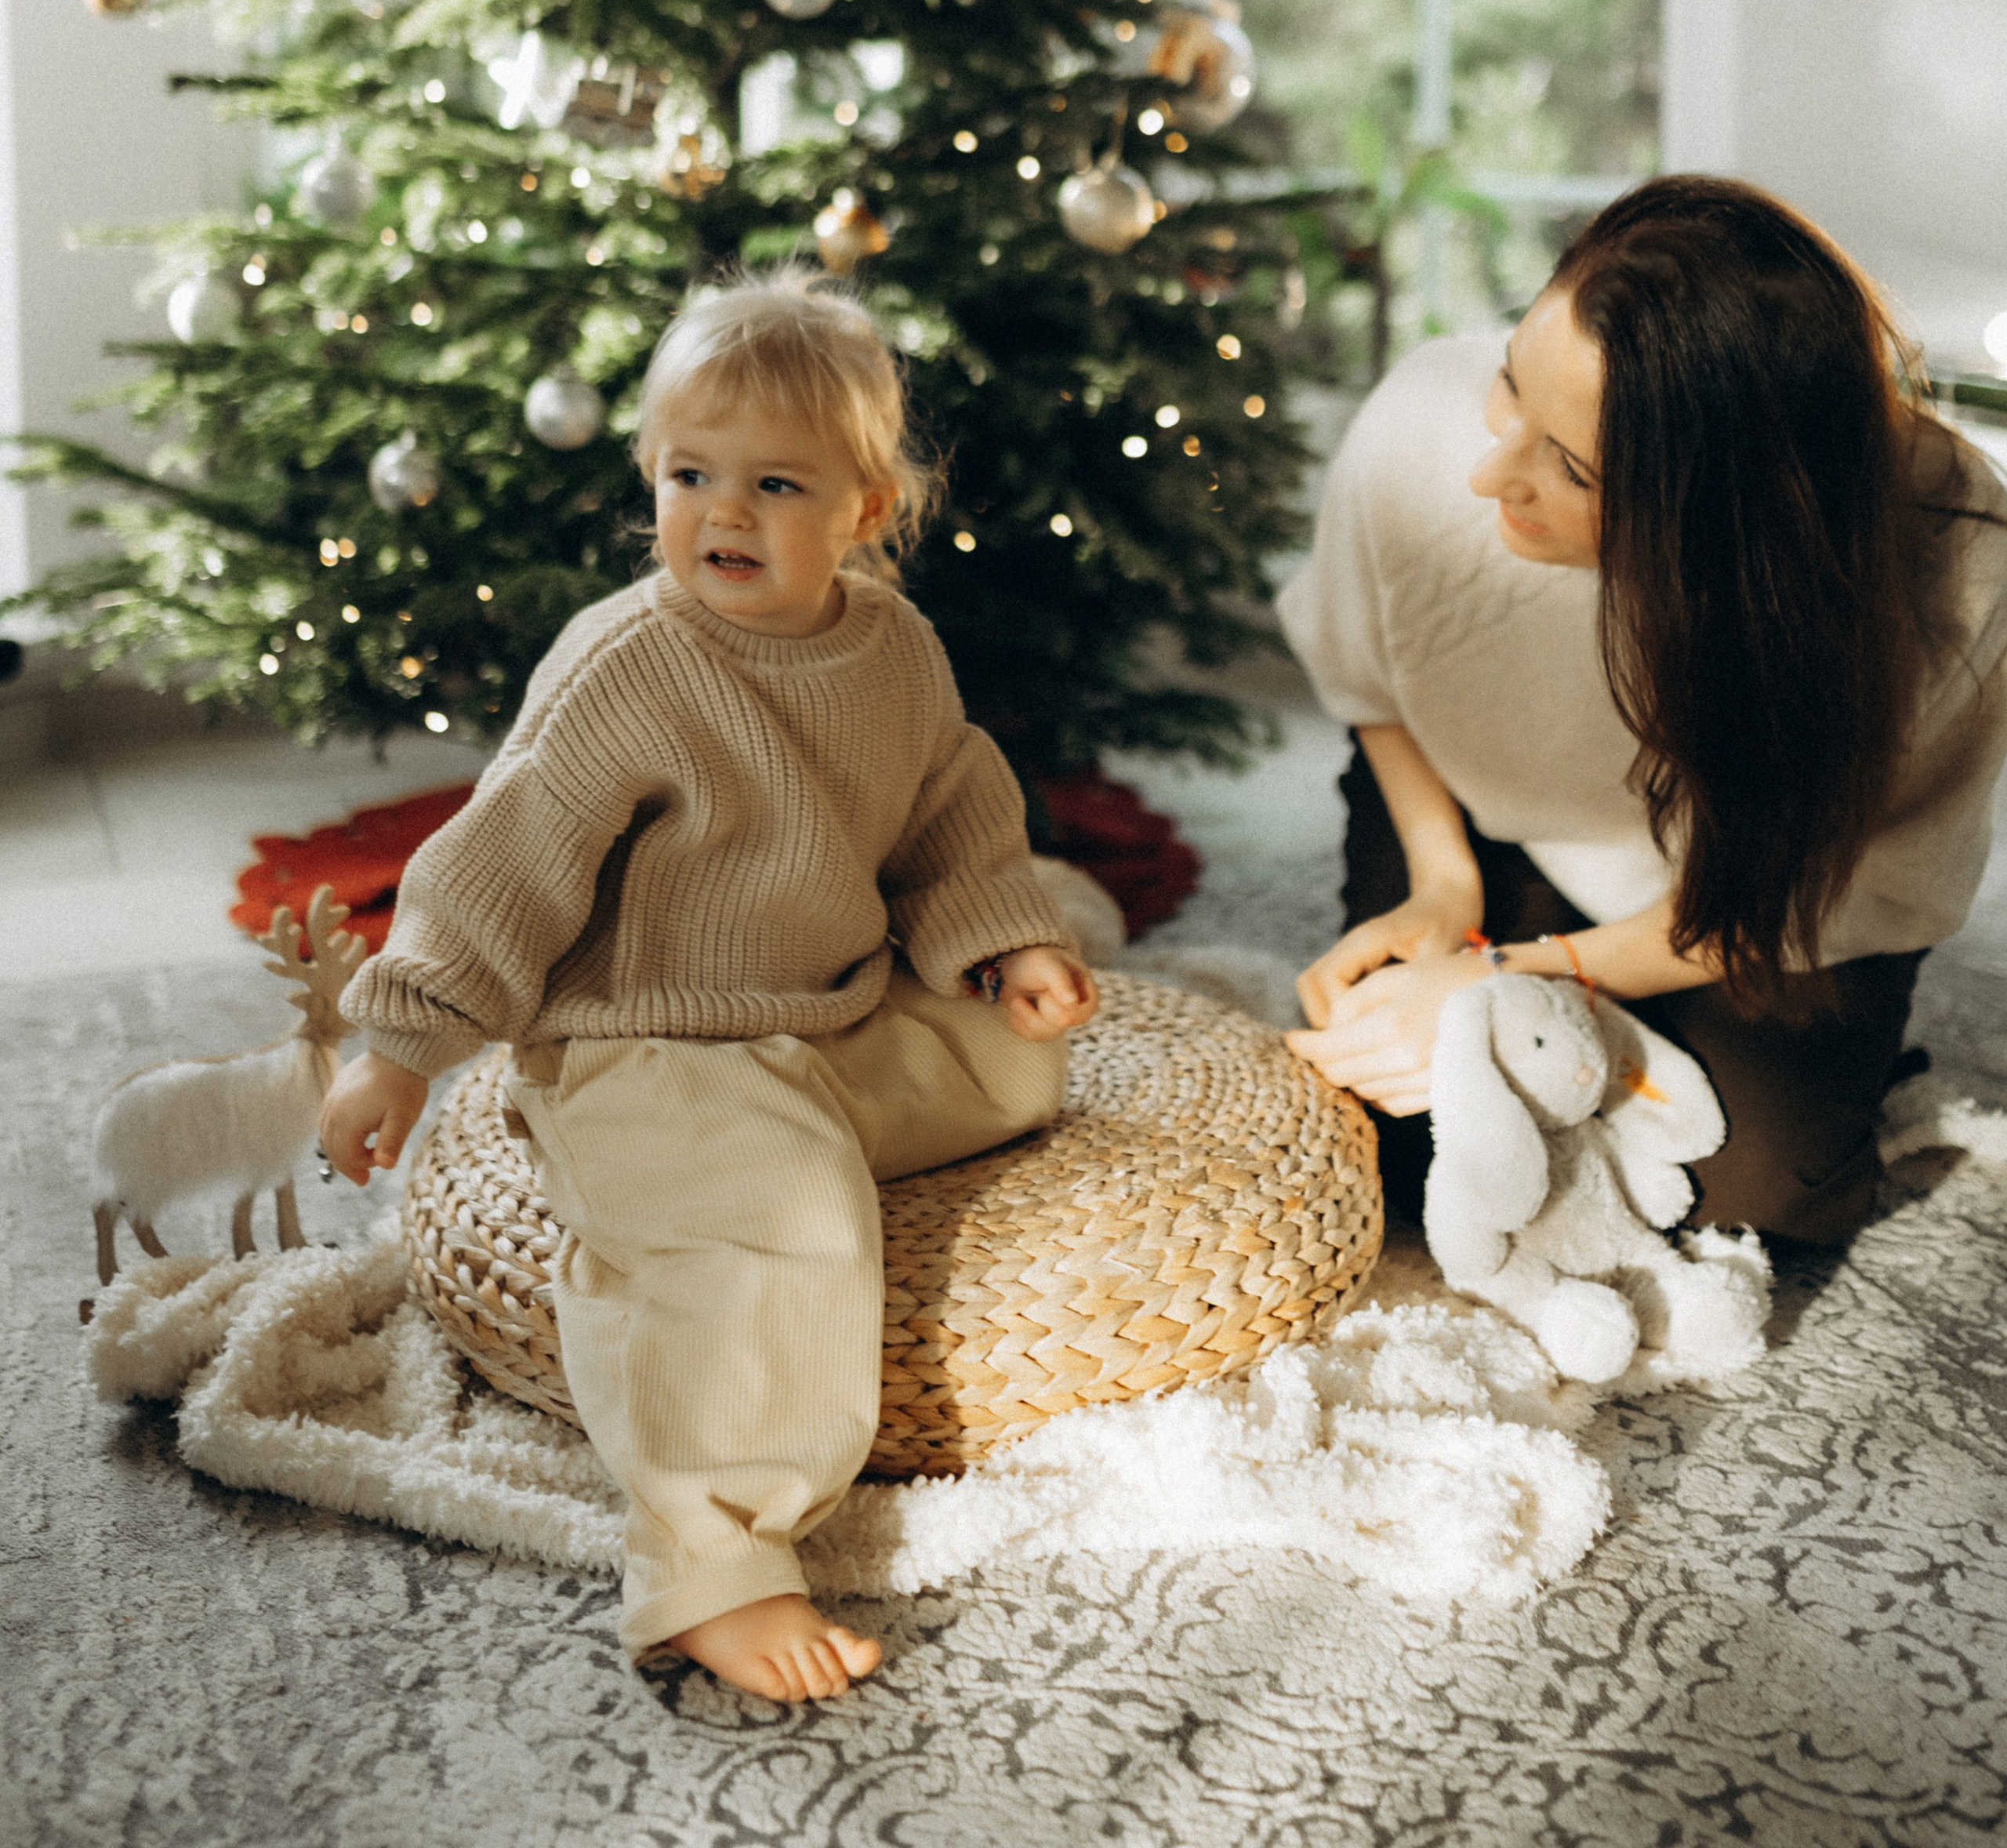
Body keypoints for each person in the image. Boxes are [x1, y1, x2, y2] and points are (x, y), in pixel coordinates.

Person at [322, 270, 1098, 1703]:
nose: (723, 514)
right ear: (653, 478)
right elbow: (503, 860)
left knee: (1018, 1066)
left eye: (776, 484)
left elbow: (947, 819)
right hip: (653, 1041)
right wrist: (399, 1046)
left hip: (824, 1009)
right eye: (692, 476)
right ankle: (714, 1560)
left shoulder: (893, 653)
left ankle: (791, 1138)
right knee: (783, 1223)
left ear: (866, 511)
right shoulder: (635, 665)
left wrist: (1008, 946)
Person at [1278, 174, 2007, 1244]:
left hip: (1764, 905)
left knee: (1755, 1202)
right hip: (1480, 819)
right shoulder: (1418, 419)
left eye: (1570, 467)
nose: (1490, 473)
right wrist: (1441, 885)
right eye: (1510, 382)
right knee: (1401, 1149)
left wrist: (1505, 975)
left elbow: (1800, 886)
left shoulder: (1959, 564)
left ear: (1726, 519)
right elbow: (1371, 679)